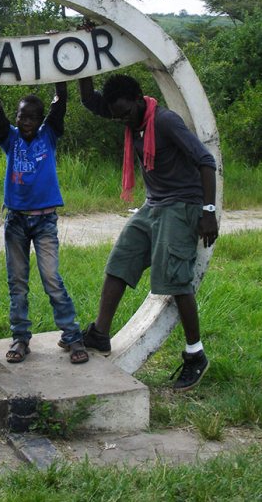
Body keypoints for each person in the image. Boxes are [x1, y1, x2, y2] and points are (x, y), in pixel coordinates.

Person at [79, 73, 219, 391]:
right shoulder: (126, 114)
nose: (123, 120)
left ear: (140, 99)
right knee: (119, 261)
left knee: (173, 279)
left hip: (182, 205)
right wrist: (81, 60)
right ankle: (100, 333)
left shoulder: (166, 121)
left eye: (126, 113)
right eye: (118, 116)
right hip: (153, 205)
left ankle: (195, 354)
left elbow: (206, 161)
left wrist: (208, 212)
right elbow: (89, 99)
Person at [0, 83, 87, 364]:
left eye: (32, 117)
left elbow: (60, 104)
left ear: (41, 119)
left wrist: (61, 78)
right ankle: (20, 337)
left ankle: (71, 334)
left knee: (52, 279)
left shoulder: (49, 135)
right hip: (16, 221)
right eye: (22, 116)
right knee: (17, 282)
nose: (26, 122)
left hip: (44, 222)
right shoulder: (11, 138)